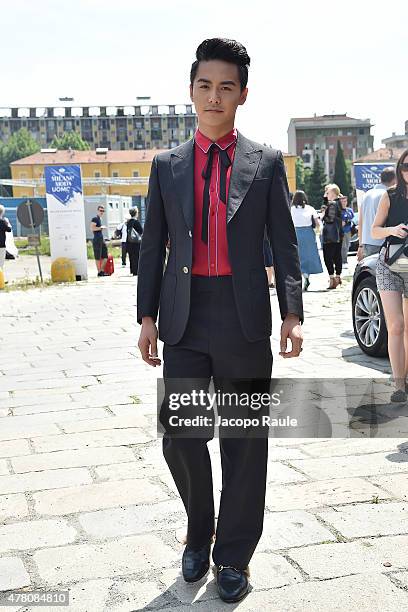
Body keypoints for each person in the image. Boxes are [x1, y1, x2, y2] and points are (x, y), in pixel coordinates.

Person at [137, 38, 303, 604]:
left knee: (244, 440)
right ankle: (198, 529)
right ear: (191, 91)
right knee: (180, 436)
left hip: (243, 319)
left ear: (243, 94)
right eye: (205, 86)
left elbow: (284, 244)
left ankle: (234, 554)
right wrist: (146, 317)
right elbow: (153, 245)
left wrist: (293, 314)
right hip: (183, 318)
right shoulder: (167, 166)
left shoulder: (264, 163)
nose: (214, 96)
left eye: (226, 87)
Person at [372, 149, 408, 403]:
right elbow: (374, 231)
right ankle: (399, 386)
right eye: (405, 166)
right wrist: (392, 230)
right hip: (389, 264)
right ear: (399, 168)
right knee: (395, 325)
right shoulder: (390, 196)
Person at [357, 167, 396, 261]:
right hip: (382, 243)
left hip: (367, 242)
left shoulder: (367, 194)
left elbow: (361, 222)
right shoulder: (388, 195)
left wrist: (360, 245)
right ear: (395, 179)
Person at [290, 190, 323, 290]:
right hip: (308, 233)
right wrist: (318, 231)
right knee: (309, 255)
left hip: (295, 233)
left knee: (297, 256)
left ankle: (300, 276)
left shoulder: (291, 209)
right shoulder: (310, 208)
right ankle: (307, 275)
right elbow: (317, 222)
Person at [321, 183, 343, 289]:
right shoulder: (338, 203)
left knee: (328, 257)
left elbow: (330, 219)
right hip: (337, 234)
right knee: (337, 256)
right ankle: (337, 277)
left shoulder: (333, 204)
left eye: (328, 192)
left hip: (330, 236)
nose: (326, 194)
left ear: (333, 193)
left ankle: (332, 279)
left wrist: (322, 216)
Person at [90, 205, 108, 276]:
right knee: (97, 256)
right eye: (100, 211)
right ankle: (99, 271)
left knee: (105, 256)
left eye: (103, 211)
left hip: (101, 238)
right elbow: (92, 228)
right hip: (97, 239)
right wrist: (101, 228)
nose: (102, 212)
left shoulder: (100, 219)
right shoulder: (95, 219)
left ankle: (102, 270)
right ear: (98, 211)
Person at [126, 207, 143, 276]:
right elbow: (141, 231)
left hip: (129, 242)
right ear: (136, 213)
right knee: (137, 256)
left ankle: (132, 270)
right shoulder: (136, 222)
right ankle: (136, 270)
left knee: (131, 256)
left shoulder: (128, 222)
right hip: (136, 242)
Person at [339, 195, 354, 268]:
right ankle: (343, 261)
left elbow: (352, 218)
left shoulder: (349, 210)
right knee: (343, 246)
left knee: (347, 246)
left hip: (348, 230)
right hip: (341, 231)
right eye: (342, 202)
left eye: (345, 201)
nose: (344, 203)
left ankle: (344, 260)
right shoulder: (339, 211)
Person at [0, 205, 12, 271]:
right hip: (1, 245)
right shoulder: (3, 222)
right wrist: (7, 222)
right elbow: (9, 229)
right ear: (2, 212)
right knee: (1, 263)